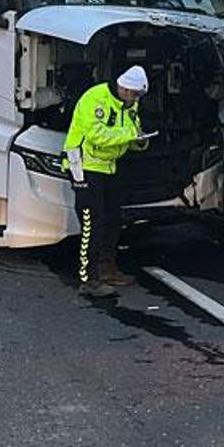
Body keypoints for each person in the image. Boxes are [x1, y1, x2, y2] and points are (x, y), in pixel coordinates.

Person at [62, 66, 151, 297]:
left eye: (138, 96)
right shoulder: (95, 98)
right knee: (93, 222)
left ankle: (107, 268)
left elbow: (132, 129)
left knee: (114, 218)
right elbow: (96, 135)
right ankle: (88, 278)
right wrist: (131, 136)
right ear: (123, 87)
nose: (135, 100)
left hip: (108, 166)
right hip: (84, 165)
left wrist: (140, 140)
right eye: (133, 95)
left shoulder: (131, 104)